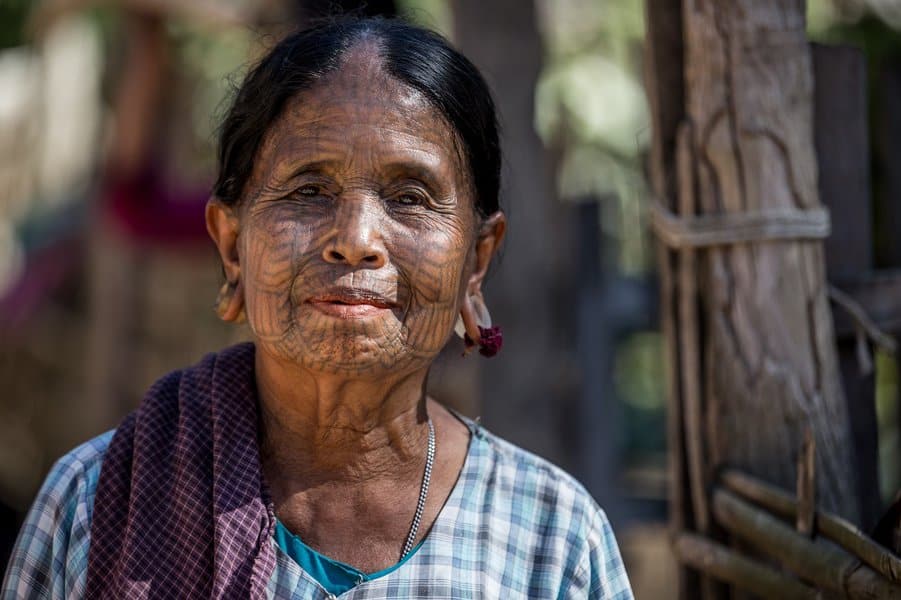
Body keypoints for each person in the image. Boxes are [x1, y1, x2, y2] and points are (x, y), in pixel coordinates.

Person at [2, 17, 633, 599]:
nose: (356, 239)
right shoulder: (94, 504)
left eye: (410, 196)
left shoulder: (554, 541)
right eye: (309, 189)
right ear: (232, 250)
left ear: (476, 261)